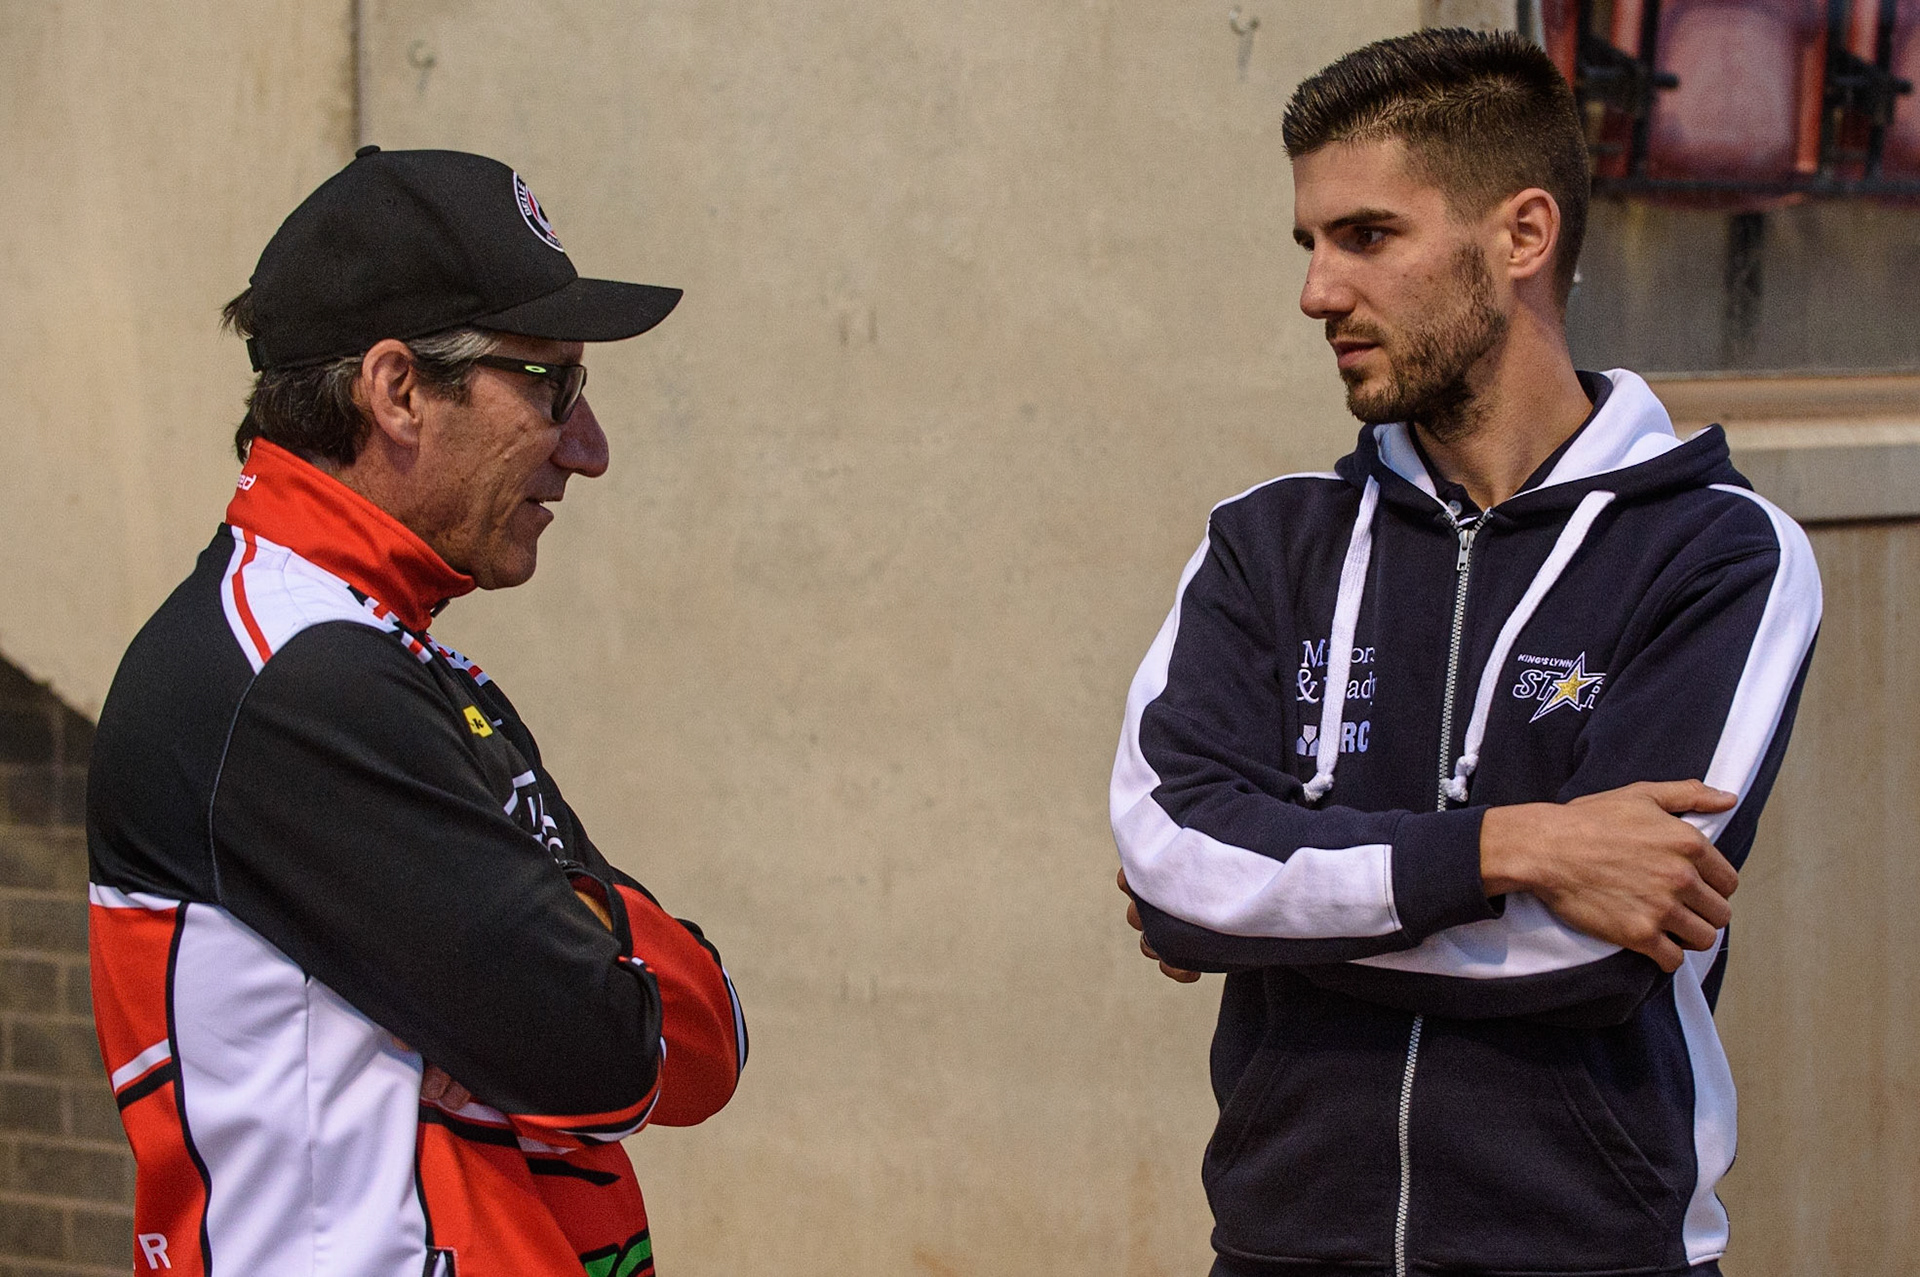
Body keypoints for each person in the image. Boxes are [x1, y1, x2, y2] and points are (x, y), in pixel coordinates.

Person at [1111, 29, 1820, 1277]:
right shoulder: (1266, 543)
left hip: (1594, 1251)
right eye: (1310, 244)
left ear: (1523, 236)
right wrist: (1511, 847)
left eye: (1367, 236)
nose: (1318, 291)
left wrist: (1273, 909)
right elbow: (1176, 860)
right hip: (1283, 1246)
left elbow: (1600, 945)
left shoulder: (1722, 553)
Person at [86, 146, 746, 1276]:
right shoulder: (292, 675)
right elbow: (605, 1045)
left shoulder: (390, 658)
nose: (586, 449)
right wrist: (578, 957)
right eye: (553, 386)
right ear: (396, 390)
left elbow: (704, 1044)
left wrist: (567, 965)